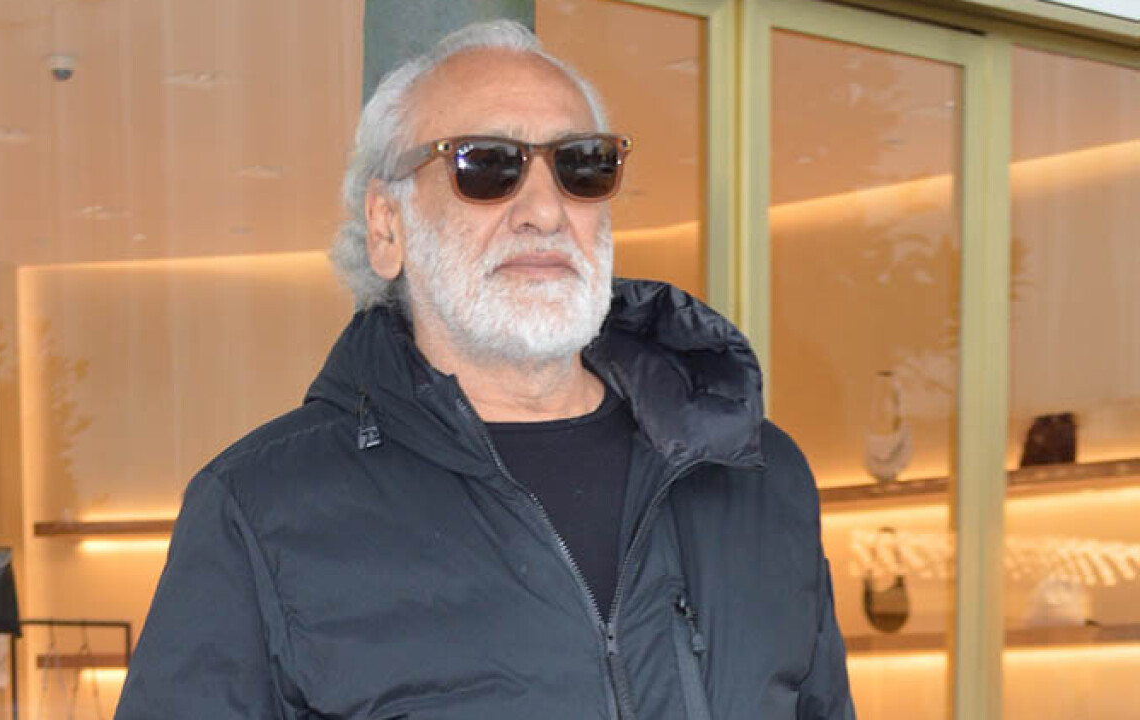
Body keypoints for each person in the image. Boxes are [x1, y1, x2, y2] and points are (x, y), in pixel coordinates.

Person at [114, 20, 854, 720]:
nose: (544, 210)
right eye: (486, 166)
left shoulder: (753, 474)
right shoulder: (260, 511)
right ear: (387, 227)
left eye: (582, 165)